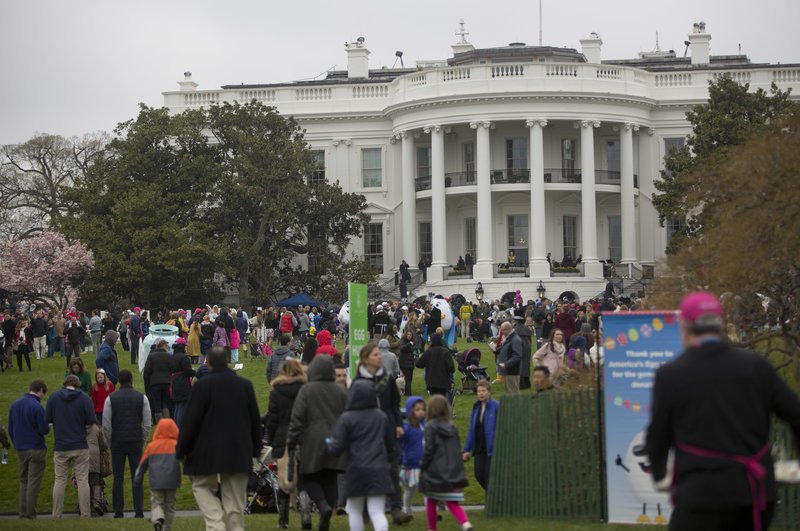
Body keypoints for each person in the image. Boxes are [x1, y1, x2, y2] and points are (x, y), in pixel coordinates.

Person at [647, 291, 800, 531]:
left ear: (684, 327)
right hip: (754, 493)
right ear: (719, 324)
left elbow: (658, 435)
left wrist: (658, 473)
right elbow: (795, 414)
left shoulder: (671, 374)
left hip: (702, 494)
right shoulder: (756, 366)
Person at [176, 346, 261, 531]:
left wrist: (181, 449)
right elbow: (255, 421)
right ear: (228, 361)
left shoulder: (202, 386)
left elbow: (190, 421)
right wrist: (256, 449)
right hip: (238, 450)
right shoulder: (244, 385)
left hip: (207, 451)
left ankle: (215, 523)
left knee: (201, 486)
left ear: (208, 363)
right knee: (236, 502)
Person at [286, 356, 347, 531]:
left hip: (312, 441)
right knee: (329, 478)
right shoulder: (341, 391)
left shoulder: (307, 390)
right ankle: (327, 509)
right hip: (335, 440)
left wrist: (292, 441)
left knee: (309, 478)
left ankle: (322, 506)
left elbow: (297, 418)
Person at [327, 378, 397, 531]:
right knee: (377, 511)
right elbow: (390, 445)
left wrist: (328, 444)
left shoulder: (346, 418)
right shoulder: (381, 416)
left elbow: (336, 447)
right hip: (379, 468)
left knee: (355, 511)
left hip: (355, 469)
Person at [103, 369, 151, 519]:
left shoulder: (110, 398)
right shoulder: (142, 398)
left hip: (117, 441)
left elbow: (106, 424)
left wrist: (110, 441)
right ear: (131, 380)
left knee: (118, 478)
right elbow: (147, 424)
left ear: (119, 381)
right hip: (135, 441)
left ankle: (118, 511)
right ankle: (139, 511)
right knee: (137, 477)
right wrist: (142, 440)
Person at [419, 395, 472, 531]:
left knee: (431, 501)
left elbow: (429, 450)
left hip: (435, 471)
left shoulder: (429, 427)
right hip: (452, 471)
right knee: (453, 502)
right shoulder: (452, 427)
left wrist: (422, 466)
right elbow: (456, 450)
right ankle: (466, 524)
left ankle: (432, 529)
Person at [46, 374, 96, 518]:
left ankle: (56, 515)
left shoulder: (54, 398)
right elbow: (91, 420)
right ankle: (85, 515)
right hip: (80, 444)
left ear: (64, 383)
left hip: (61, 446)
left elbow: (47, 419)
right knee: (82, 480)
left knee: (59, 480)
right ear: (78, 384)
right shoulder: (84, 398)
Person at [265, 359, 307, 529]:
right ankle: (305, 512)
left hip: (282, 437)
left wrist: (272, 437)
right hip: (302, 437)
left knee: (283, 479)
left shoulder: (276, 392)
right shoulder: (305, 389)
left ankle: (283, 520)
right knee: (303, 477)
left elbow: (272, 419)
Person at [8, 379, 49, 519]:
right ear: (41, 391)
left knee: (23, 480)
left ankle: (23, 512)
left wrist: (16, 443)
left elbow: (10, 428)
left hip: (20, 448)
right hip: (36, 448)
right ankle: (30, 513)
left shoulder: (15, 404)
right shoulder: (37, 407)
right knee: (33, 482)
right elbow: (43, 429)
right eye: (44, 394)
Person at [134, 418, 182, 531]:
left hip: (156, 481)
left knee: (157, 502)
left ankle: (158, 519)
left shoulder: (152, 446)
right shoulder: (177, 445)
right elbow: (186, 461)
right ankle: (167, 528)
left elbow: (142, 465)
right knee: (170, 505)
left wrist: (137, 479)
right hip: (172, 481)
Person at [462, 380, 499, 490]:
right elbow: (471, 430)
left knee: (488, 477)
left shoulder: (496, 406)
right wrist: (466, 449)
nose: (481, 393)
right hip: (479, 448)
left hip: (491, 449)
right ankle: (492, 496)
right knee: (479, 475)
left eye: (483, 391)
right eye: (479, 391)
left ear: (489, 392)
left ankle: (492, 501)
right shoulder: (476, 407)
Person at [399, 396, 426, 519]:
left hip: (424, 465)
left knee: (426, 490)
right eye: (417, 410)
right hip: (411, 464)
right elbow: (400, 443)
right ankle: (407, 510)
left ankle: (430, 512)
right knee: (409, 490)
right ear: (411, 411)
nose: (421, 412)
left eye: (422, 409)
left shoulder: (425, 426)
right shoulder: (407, 428)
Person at [416, 333, 455, 397]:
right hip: (443, 381)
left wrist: (417, 359)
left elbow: (419, 364)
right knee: (443, 400)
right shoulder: (445, 351)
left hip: (431, 382)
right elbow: (451, 368)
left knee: (434, 401)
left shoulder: (428, 351)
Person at [143, 339, 172, 421]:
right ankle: (167, 420)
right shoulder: (168, 356)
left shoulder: (151, 356)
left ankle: (159, 422)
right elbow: (172, 368)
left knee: (157, 403)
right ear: (163, 346)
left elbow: (147, 371)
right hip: (166, 382)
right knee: (165, 402)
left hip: (155, 383)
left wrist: (147, 384)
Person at [169, 338, 195, 427]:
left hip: (174, 381)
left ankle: (176, 425)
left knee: (177, 405)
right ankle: (179, 427)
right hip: (182, 382)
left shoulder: (173, 356)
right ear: (182, 346)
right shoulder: (183, 357)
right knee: (182, 405)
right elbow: (187, 371)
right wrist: (194, 372)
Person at [86, 420, 109, 516]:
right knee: (96, 481)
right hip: (95, 457)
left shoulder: (78, 427)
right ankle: (96, 502)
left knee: (84, 481)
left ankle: (84, 503)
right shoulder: (96, 428)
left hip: (81, 455)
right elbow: (104, 445)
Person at [497, 321, 522, 395]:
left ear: (508, 329)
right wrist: (496, 350)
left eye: (503, 330)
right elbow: (506, 348)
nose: (502, 332)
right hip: (508, 370)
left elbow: (517, 356)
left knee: (513, 392)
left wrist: (506, 364)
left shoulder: (515, 339)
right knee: (509, 391)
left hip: (513, 371)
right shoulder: (509, 338)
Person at [398, 329, 417, 396]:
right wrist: (409, 344)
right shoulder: (403, 341)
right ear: (406, 335)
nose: (409, 336)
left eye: (410, 334)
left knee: (410, 378)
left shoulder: (413, 342)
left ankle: (406, 391)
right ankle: (408, 393)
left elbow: (414, 350)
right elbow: (402, 349)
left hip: (410, 362)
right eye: (408, 334)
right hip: (404, 362)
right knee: (408, 377)